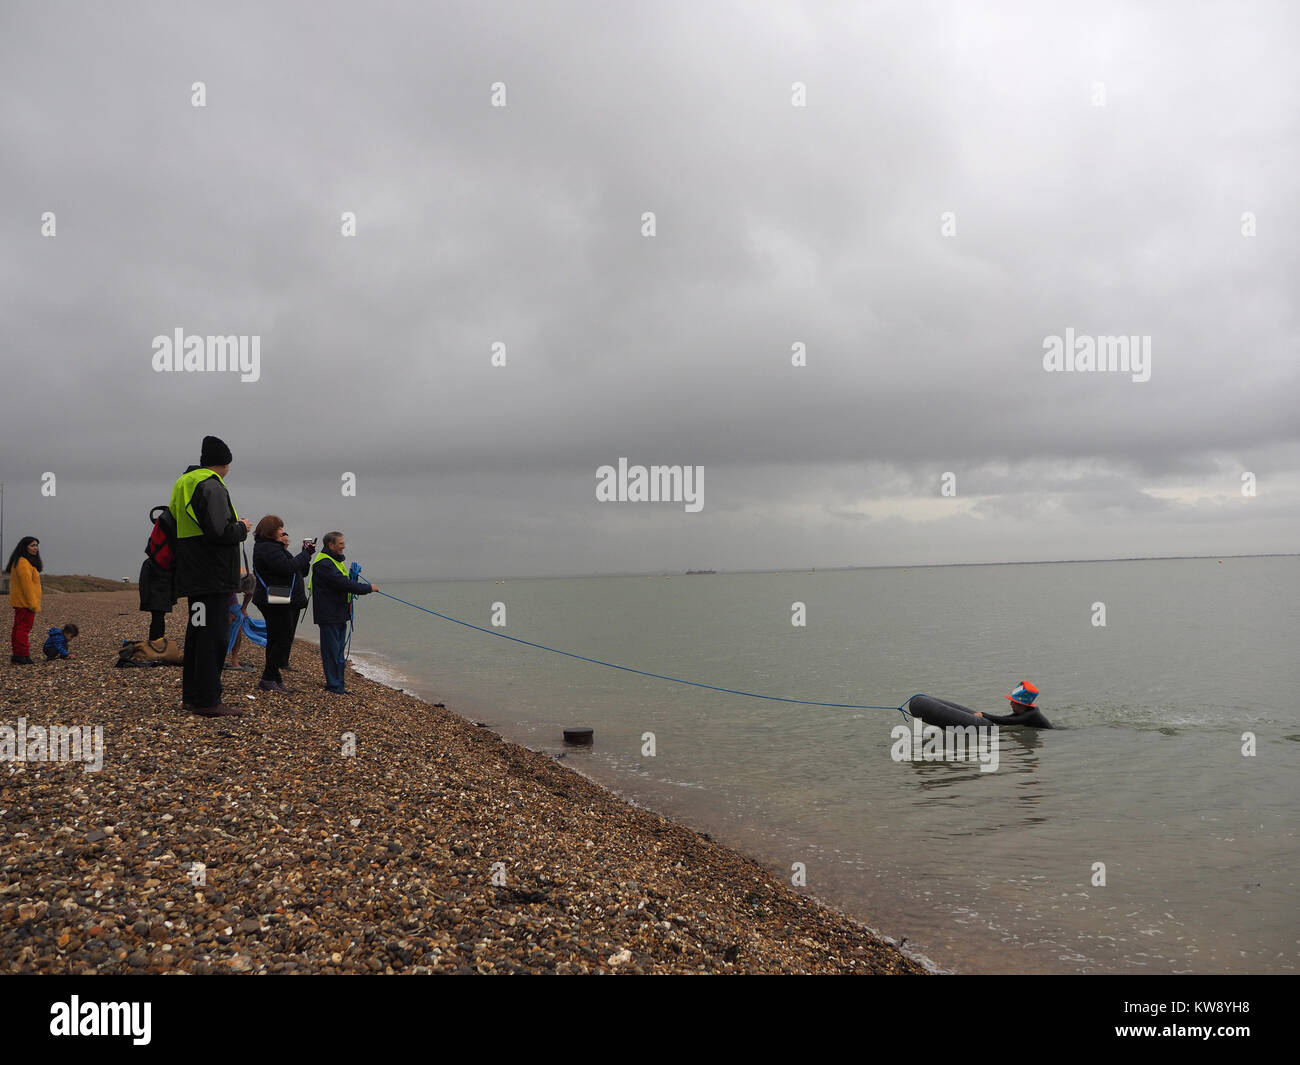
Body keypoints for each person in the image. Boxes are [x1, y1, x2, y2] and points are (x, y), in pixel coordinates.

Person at [170, 436, 251, 717]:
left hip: (195, 574)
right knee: (212, 637)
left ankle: (192, 697)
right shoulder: (211, 485)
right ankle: (208, 700)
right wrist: (241, 527)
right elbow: (221, 532)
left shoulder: (184, 482)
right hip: (213, 576)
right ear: (225, 463)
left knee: (197, 634)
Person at [309, 531, 377, 694]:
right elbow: (342, 583)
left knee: (338, 652)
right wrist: (369, 588)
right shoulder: (323, 563)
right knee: (332, 652)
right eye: (341, 543)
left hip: (339, 613)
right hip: (329, 615)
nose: (344, 546)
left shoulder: (334, 561)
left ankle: (339, 685)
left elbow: (345, 582)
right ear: (331, 545)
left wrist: (354, 577)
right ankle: (334, 686)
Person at [251, 516, 312, 693]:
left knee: (277, 636)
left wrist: (303, 554)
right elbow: (287, 567)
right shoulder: (268, 547)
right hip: (274, 597)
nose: (281, 531)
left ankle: (274, 677)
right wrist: (306, 553)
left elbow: (293, 568)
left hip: (277, 596)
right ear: (271, 530)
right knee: (282, 637)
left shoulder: (269, 547)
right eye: (279, 528)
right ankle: (268, 677)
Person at [6, 536, 43, 665]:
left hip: (22, 602)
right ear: (25, 546)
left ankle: (19, 655)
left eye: (36, 545)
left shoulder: (24, 561)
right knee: (23, 629)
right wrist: (33, 603)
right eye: (32, 545)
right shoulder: (23, 563)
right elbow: (26, 585)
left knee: (18, 628)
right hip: (25, 603)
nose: (35, 548)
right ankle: (21, 655)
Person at [975, 680, 1053, 728]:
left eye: (1013, 702)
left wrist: (984, 715)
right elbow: (1006, 718)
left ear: (1021, 705)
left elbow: (1009, 721)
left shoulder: (1031, 715)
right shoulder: (1024, 711)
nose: (1010, 704)